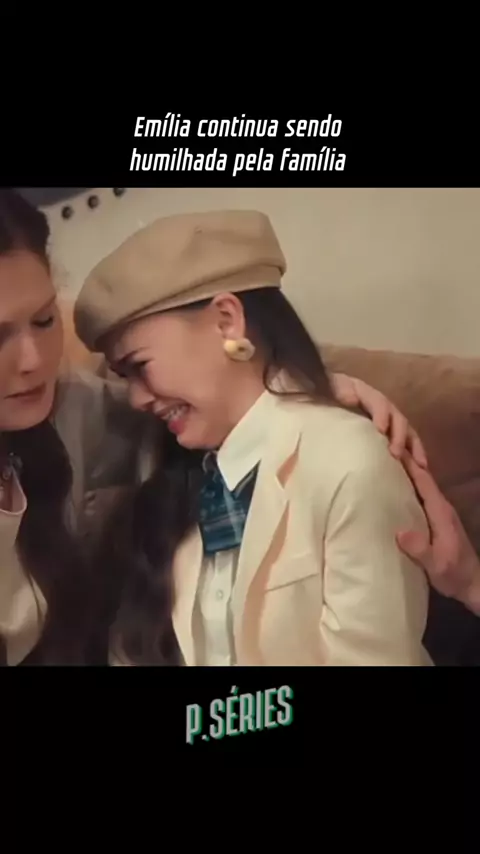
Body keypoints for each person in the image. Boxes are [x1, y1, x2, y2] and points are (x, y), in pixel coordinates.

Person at [0, 189, 420, 666]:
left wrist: (308, 388)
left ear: (227, 320)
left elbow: (252, 397)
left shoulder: (85, 412)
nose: (33, 361)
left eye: (44, 320)